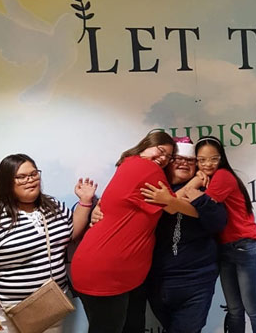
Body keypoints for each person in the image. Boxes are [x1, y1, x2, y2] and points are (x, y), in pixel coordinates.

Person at [70, 131, 177, 333]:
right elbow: (173, 205)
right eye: (161, 150)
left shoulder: (127, 165)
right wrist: (197, 182)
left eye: (169, 157)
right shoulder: (146, 167)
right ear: (145, 145)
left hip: (116, 272)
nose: (163, 158)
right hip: (106, 272)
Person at [0, 154, 97, 332]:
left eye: (33, 174)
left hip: (51, 307)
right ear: (7, 182)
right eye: (21, 177)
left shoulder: (52, 205)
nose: (30, 180)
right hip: (8, 312)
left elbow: (71, 232)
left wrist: (85, 202)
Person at [141, 136, 228, 333]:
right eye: (177, 159)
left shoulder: (208, 188)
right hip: (157, 280)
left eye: (190, 160)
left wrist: (196, 191)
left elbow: (218, 222)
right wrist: (97, 209)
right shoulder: (153, 187)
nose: (183, 163)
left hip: (196, 280)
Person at [185, 135, 256, 333]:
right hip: (225, 248)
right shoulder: (211, 178)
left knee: (253, 308)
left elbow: (199, 204)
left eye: (213, 159)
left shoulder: (223, 176)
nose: (208, 164)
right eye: (201, 160)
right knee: (234, 309)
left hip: (245, 246)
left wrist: (194, 183)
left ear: (221, 158)